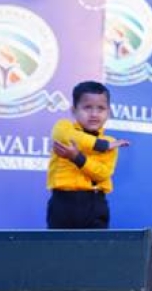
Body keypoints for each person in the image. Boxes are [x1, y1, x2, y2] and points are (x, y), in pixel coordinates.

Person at [46, 80, 128, 229]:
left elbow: (102, 174)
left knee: (95, 244)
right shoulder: (63, 128)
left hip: (95, 204)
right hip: (63, 202)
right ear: (74, 110)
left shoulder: (111, 142)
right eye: (87, 107)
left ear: (109, 112)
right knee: (60, 244)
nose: (94, 114)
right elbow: (72, 137)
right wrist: (100, 146)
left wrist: (77, 158)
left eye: (101, 108)